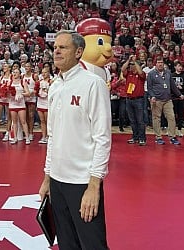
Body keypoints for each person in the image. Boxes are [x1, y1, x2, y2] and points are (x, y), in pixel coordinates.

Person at [38, 30, 111, 249]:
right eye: (55, 48)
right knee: (67, 244)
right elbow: (52, 136)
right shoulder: (55, 86)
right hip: (58, 182)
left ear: (79, 52)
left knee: (92, 244)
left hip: (82, 182)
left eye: (63, 47)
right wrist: (47, 177)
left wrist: (94, 185)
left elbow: (103, 138)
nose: (57, 51)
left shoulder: (93, 84)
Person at [147, 57, 184, 145]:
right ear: (155, 64)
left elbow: (172, 85)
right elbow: (149, 87)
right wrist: (152, 96)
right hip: (156, 100)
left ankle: (172, 136)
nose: (160, 64)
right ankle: (158, 137)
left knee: (171, 117)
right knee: (156, 119)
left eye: (161, 62)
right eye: (158, 62)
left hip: (168, 99)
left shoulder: (168, 73)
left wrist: (179, 94)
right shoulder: (151, 74)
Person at [121, 54, 146, 145]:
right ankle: (135, 137)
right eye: (130, 65)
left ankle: (142, 138)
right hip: (129, 99)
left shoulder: (141, 75)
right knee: (132, 120)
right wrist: (128, 60)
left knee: (140, 120)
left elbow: (140, 72)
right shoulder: (129, 74)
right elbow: (122, 69)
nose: (130, 67)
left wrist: (135, 61)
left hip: (138, 100)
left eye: (132, 65)